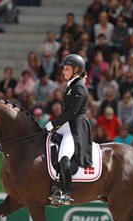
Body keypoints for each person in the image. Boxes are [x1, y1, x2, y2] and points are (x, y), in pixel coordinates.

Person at [45, 54, 92, 205]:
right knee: (43, 138)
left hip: (75, 128)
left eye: (67, 69)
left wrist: (54, 124)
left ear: (76, 70)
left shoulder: (80, 87)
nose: (63, 72)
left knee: (63, 156)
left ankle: (66, 193)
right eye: (64, 69)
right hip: (67, 125)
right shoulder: (71, 85)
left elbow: (72, 112)